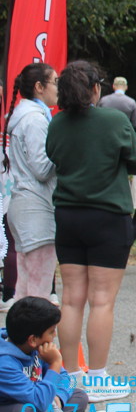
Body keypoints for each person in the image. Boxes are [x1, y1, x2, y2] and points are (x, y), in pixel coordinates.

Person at [45, 60, 136, 399]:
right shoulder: (114, 120)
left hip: (68, 216)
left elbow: (53, 157)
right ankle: (98, 380)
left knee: (71, 299)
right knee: (101, 301)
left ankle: (71, 376)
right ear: (95, 88)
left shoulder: (57, 123)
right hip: (107, 216)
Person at [0, 297, 104, 412]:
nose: (54, 335)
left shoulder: (35, 347)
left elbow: (67, 379)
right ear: (33, 339)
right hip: (10, 409)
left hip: (37, 402)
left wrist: (58, 397)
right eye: (51, 331)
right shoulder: (4, 363)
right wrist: (55, 363)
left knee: (79, 395)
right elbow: (39, 401)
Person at [3, 64, 58, 301]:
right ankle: (35, 326)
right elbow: (42, 169)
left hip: (24, 204)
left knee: (25, 289)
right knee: (38, 291)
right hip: (36, 207)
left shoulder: (25, 115)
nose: (58, 88)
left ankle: (23, 326)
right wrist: (64, 151)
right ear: (39, 87)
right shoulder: (35, 120)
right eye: (55, 82)